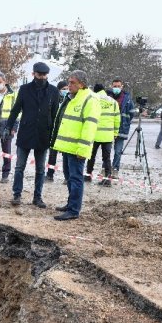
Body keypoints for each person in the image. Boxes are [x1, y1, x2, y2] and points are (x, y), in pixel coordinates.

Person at [4, 62, 59, 208]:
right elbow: (15, 110)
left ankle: (37, 197)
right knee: (19, 167)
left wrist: (54, 135)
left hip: (43, 135)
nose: (42, 77)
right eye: (39, 74)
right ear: (33, 74)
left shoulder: (53, 91)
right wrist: (8, 126)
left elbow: (55, 115)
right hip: (26, 133)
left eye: (45, 75)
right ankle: (17, 195)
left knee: (40, 169)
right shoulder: (24, 89)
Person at [51, 70, 101, 221]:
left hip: (77, 149)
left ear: (82, 84)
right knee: (69, 178)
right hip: (68, 147)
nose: (69, 85)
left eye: (73, 82)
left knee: (76, 178)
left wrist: (83, 149)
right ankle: (70, 204)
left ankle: (74, 210)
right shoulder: (71, 98)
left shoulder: (90, 99)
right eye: (69, 81)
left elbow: (89, 127)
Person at [85, 84, 120, 186]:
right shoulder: (113, 102)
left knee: (91, 156)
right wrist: (115, 133)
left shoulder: (93, 99)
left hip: (94, 134)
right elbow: (117, 119)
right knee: (106, 158)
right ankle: (107, 179)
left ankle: (88, 175)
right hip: (108, 135)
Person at [109, 78, 135, 179]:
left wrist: (126, 122)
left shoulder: (127, 99)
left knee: (118, 151)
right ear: (112, 86)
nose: (116, 88)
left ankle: (115, 169)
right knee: (106, 151)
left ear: (122, 86)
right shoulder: (108, 97)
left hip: (121, 129)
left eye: (118, 86)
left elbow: (132, 112)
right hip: (108, 129)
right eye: (114, 86)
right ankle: (105, 168)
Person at [46, 80, 70, 183]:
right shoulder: (53, 99)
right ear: (58, 90)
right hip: (55, 130)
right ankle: (50, 175)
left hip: (65, 130)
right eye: (63, 89)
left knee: (66, 156)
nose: (66, 91)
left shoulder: (70, 100)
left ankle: (67, 177)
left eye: (67, 89)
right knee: (52, 154)